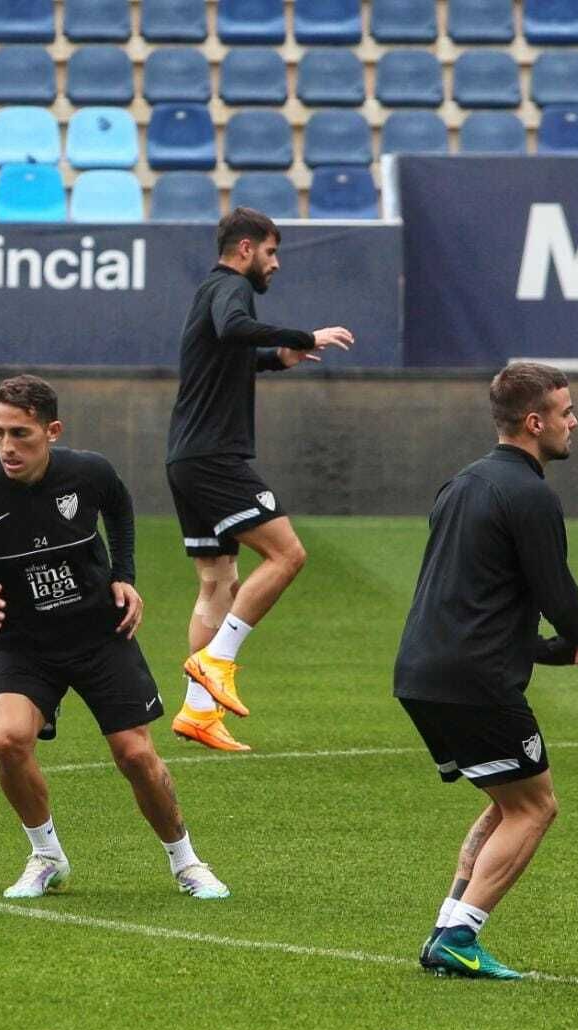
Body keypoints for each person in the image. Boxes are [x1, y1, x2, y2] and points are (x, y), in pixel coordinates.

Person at [0, 375, 229, 901]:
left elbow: (120, 507)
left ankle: (186, 861)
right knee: (5, 739)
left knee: (135, 755)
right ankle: (46, 856)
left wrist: (124, 575)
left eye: (20, 434)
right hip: (23, 645)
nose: (6, 446)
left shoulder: (89, 473)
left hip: (98, 635)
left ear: (52, 431)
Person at [396, 362, 578, 979]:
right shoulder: (531, 495)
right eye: (566, 412)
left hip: (421, 674)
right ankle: (459, 935)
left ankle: (448, 929)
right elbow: (560, 599)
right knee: (536, 807)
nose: (574, 421)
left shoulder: (460, 484)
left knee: (508, 799)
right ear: (535, 423)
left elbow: (473, 604)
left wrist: (558, 650)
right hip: (476, 684)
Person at [164, 207, 354, 753]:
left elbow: (224, 355)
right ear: (245, 249)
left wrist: (277, 358)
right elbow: (233, 329)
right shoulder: (230, 288)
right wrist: (304, 333)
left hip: (186, 457)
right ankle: (217, 661)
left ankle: (198, 714)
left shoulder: (208, 291)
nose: (274, 264)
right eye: (270, 253)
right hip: (214, 457)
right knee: (288, 554)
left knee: (217, 581)